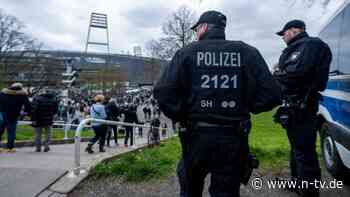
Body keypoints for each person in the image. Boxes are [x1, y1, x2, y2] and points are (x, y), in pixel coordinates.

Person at [154, 10, 281, 197]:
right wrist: (248, 106)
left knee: (190, 187)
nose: (196, 33)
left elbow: (163, 92)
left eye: (196, 29)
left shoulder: (187, 52)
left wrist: (182, 115)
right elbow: (272, 94)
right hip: (233, 136)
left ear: (204, 27)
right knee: (226, 191)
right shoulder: (247, 52)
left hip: (195, 135)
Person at [273, 19, 332, 197]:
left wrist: (277, 74)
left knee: (304, 152)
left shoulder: (309, 45)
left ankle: (309, 191)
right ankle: (297, 182)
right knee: (297, 148)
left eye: (284, 33)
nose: (283, 37)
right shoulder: (300, 47)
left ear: (294, 30)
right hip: (294, 106)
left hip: (302, 106)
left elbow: (296, 75)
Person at [0, 83, 31, 152]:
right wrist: (28, 113)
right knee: (11, 131)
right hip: (14, 114)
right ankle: (10, 148)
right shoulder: (22, 95)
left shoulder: (3, 93)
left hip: (3, 113)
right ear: (20, 87)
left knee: (0, 129)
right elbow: (28, 105)